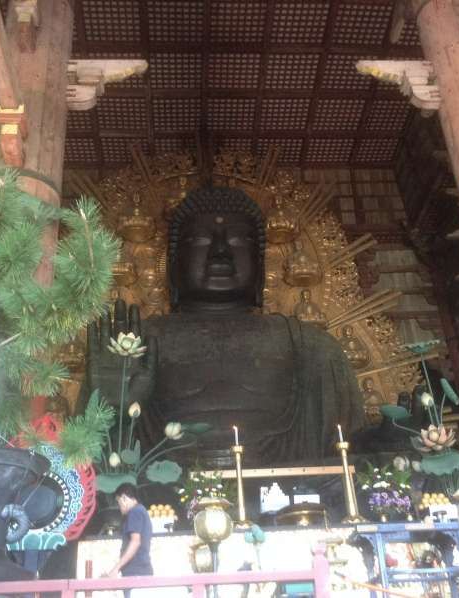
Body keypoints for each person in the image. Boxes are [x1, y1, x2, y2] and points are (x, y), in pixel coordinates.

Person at [81, 186, 365, 465]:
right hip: (158, 503)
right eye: (201, 242)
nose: (220, 252)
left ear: (261, 265)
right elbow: (83, 458)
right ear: (173, 265)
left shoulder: (311, 348)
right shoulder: (131, 347)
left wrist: (392, 434)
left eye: (239, 242)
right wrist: (109, 413)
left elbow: (352, 451)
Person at [106, 483, 153, 596]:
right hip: (142, 571)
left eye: (119, 502)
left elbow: (135, 542)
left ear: (124, 498)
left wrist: (116, 568)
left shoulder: (134, 512)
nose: (119, 506)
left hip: (136, 572)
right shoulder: (141, 511)